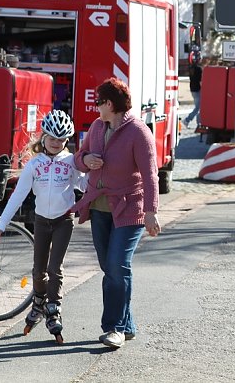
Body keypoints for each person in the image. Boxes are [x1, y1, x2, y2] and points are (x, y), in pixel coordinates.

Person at [71, 77, 161, 349]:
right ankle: (128, 323)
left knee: (117, 266)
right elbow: (79, 157)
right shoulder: (97, 127)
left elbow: (150, 175)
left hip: (128, 209)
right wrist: (86, 160)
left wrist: (151, 211)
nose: (96, 107)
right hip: (99, 209)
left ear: (109, 104)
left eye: (98, 102)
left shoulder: (138, 132)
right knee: (109, 268)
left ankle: (115, 328)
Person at [0, 110, 84, 342]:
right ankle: (39, 301)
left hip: (64, 220)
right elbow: (18, 196)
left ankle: (54, 309)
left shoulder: (71, 162)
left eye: (62, 139)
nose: (57, 143)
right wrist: (2, 224)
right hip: (42, 220)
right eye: (53, 138)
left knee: (55, 269)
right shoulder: (34, 165)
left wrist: (92, 167)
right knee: (38, 270)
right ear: (43, 138)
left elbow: (85, 184)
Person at [184, 61, 203, 128]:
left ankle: (199, 123)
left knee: (198, 107)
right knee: (198, 107)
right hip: (198, 89)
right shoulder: (199, 69)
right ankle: (187, 120)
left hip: (193, 89)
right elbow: (201, 80)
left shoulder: (191, 69)